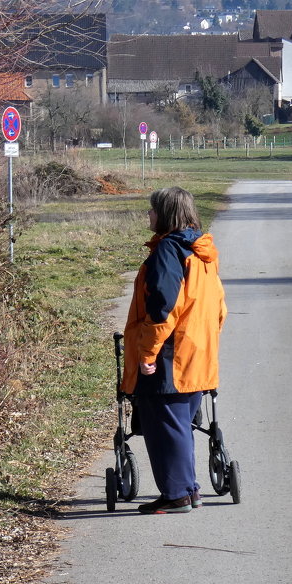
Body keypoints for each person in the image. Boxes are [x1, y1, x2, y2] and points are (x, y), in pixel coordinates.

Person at [121, 187, 226, 514]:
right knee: (179, 425)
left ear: (165, 214)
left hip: (170, 355)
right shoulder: (201, 251)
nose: (148, 216)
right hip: (196, 353)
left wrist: (148, 354)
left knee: (164, 426)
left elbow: (163, 308)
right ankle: (189, 490)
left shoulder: (168, 250)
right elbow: (220, 308)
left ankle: (177, 494)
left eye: (152, 210)